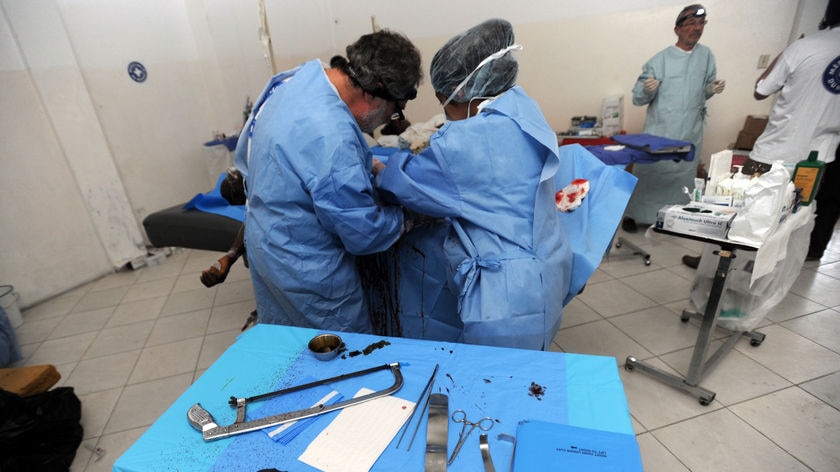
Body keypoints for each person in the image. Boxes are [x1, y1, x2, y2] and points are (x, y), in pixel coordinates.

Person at [373, 19, 572, 350]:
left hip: (506, 294)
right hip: (549, 268)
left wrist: (380, 169)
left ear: (461, 90)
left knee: (493, 382)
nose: (445, 113)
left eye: (443, 100)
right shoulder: (523, 109)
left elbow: (406, 184)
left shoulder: (465, 142)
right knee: (529, 366)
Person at [234, 29, 423, 332]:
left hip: (268, 244)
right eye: (394, 109)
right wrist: (410, 218)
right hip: (306, 265)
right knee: (339, 357)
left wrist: (366, 163)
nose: (391, 119)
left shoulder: (299, 78)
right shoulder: (332, 136)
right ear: (372, 92)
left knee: (287, 345)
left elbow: (262, 153)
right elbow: (362, 232)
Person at [740, 1, 839, 261]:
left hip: (773, 155)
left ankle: (718, 277)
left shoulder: (806, 46)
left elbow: (760, 90)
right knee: (788, 226)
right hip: (817, 161)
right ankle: (762, 283)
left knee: (743, 218)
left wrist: (786, 51)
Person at [623, 3, 725, 236]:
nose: (696, 28)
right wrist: (647, 90)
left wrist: (712, 88)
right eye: (691, 24)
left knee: (680, 178)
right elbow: (638, 98)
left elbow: (702, 91)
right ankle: (635, 215)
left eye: (700, 24)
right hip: (661, 131)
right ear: (677, 29)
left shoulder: (706, 56)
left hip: (689, 131)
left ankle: (674, 218)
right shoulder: (660, 60)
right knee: (651, 174)